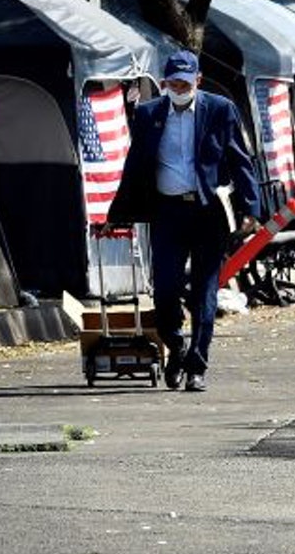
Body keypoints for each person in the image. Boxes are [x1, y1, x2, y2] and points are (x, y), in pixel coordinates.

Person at [109, 50, 259, 393]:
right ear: (164, 83)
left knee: (205, 292)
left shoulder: (220, 110)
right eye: (172, 82)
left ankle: (197, 364)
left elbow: (240, 160)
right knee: (164, 288)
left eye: (184, 83)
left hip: (208, 211)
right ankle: (175, 345)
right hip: (167, 212)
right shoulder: (148, 114)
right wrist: (117, 215)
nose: (178, 88)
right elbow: (135, 166)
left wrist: (251, 207)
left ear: (198, 81)